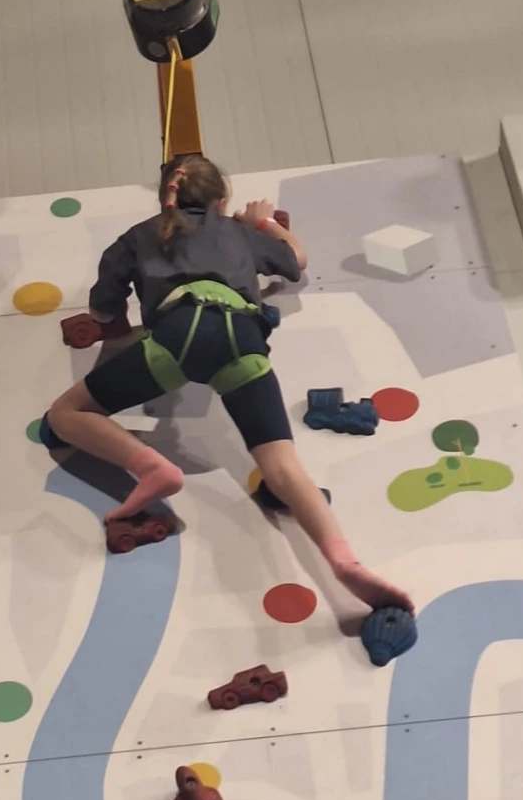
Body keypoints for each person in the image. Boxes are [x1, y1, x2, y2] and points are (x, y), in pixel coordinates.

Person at [41, 156, 413, 614]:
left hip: (178, 333)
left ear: (165, 197)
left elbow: (103, 311)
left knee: (66, 414)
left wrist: (114, 322)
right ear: (220, 200)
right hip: (244, 337)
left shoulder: (137, 236)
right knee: (284, 468)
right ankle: (343, 560)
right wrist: (263, 224)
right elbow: (297, 260)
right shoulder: (240, 232)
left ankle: (152, 467)